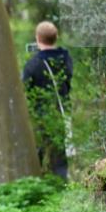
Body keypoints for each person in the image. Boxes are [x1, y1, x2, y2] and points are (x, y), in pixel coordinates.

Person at [22, 20, 73, 179]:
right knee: (59, 152)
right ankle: (61, 183)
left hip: (40, 114)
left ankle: (38, 183)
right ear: (56, 37)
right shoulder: (66, 58)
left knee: (38, 151)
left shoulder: (33, 63)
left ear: (37, 38)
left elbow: (25, 88)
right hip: (61, 110)